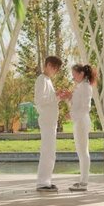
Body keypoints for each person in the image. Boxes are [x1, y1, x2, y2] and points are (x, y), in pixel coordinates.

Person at [61, 64, 97, 192]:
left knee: (83, 151)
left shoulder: (86, 87)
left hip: (81, 121)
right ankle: (82, 180)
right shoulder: (81, 86)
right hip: (78, 121)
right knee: (80, 151)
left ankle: (84, 182)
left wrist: (71, 115)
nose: (73, 77)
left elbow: (85, 107)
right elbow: (75, 104)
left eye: (74, 75)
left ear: (81, 73)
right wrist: (69, 97)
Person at [34, 56, 63, 192]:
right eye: (55, 68)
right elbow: (40, 100)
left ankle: (46, 180)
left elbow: (49, 100)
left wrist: (57, 97)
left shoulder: (47, 80)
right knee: (47, 151)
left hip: (50, 121)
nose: (55, 71)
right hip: (47, 120)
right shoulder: (42, 80)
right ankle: (42, 182)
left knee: (50, 152)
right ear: (49, 65)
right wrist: (55, 95)